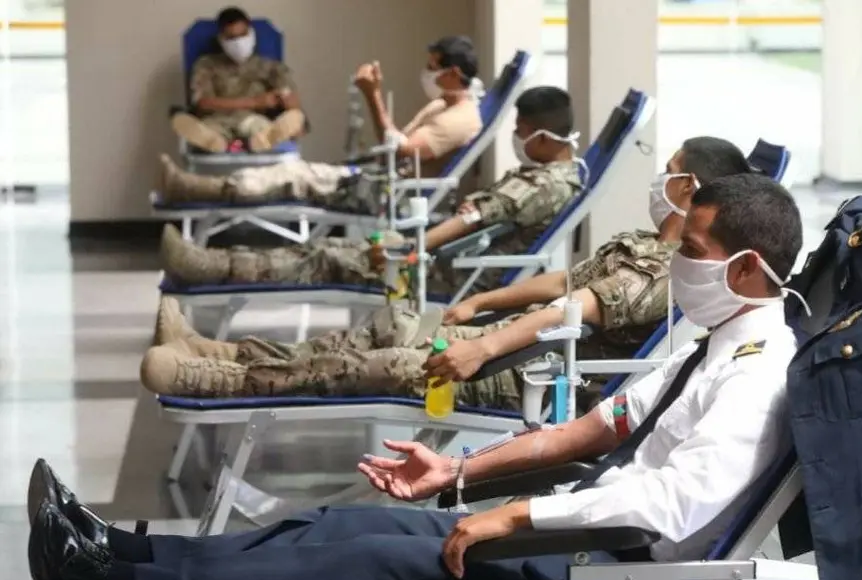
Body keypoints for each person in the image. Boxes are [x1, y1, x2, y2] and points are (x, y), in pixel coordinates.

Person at [27, 173, 804, 580]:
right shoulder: (711, 345)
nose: (681, 260)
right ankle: (129, 561)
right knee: (334, 526)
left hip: (604, 567)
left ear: (745, 268)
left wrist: (512, 519)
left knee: (357, 563)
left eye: (694, 247)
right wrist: (459, 471)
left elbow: (671, 505)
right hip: (572, 532)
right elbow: (600, 428)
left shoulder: (758, 375)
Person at [140, 137, 755, 411]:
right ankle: (224, 352)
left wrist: (479, 344)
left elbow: (578, 310)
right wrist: (478, 304)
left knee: (389, 364)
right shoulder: (644, 241)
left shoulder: (673, 272)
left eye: (668, 169)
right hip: (514, 345)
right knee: (391, 324)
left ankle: (215, 381)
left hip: (533, 378)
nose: (659, 178)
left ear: (688, 187)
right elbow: (566, 284)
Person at [160, 86, 583, 295]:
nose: (517, 138)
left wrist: (404, 249)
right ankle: (214, 262)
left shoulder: (543, 184)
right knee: (325, 247)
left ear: (544, 135)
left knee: (324, 254)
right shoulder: (556, 173)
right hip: (443, 260)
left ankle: (212, 266)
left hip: (447, 273)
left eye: (522, 132)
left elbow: (468, 219)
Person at [159, 35, 484, 209]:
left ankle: (193, 189)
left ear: (454, 74)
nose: (427, 73)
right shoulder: (445, 103)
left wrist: (372, 94)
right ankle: (199, 184)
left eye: (432, 67)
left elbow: (401, 151)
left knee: (291, 174)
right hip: (375, 179)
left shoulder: (459, 119)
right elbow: (397, 145)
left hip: (383, 194)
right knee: (291, 171)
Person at [171, 7, 307, 154]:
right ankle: (216, 143)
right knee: (210, 131)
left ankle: (260, 141)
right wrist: (254, 102)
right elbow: (202, 103)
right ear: (221, 39)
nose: (238, 43)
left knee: (262, 128)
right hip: (217, 119)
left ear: (252, 33)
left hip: (253, 118)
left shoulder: (270, 67)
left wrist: (293, 111)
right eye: (231, 38)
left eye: (243, 35)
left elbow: (289, 95)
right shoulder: (206, 65)